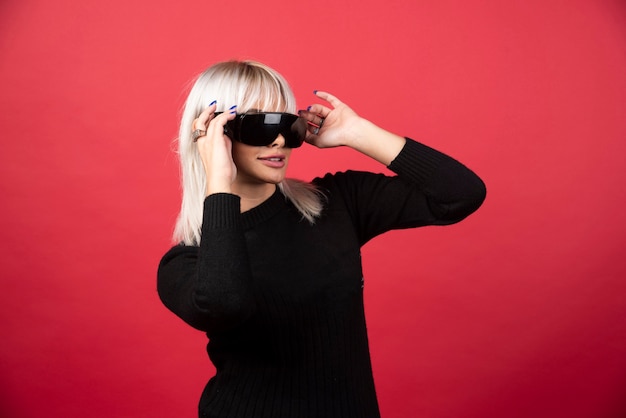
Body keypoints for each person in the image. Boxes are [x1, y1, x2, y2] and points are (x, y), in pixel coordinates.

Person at [157, 60, 486, 418]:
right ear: (214, 134)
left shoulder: (335, 203)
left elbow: (460, 194)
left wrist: (357, 132)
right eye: (258, 124)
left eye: (288, 123)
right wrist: (217, 181)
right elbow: (225, 303)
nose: (280, 139)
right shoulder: (187, 262)